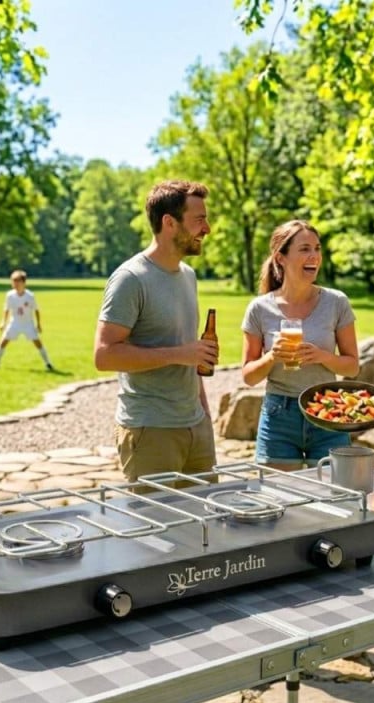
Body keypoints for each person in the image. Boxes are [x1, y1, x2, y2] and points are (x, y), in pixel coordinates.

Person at [93, 179, 218, 482]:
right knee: (156, 528)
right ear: (169, 223)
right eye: (199, 219)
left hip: (195, 427)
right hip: (150, 431)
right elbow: (104, 356)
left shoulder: (188, 276)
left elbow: (189, 354)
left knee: (206, 526)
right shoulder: (131, 279)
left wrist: (204, 416)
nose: (207, 228)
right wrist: (180, 354)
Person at [241, 220, 359, 470]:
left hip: (328, 411)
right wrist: (272, 356)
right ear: (280, 258)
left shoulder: (336, 302)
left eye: (317, 248)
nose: (314, 256)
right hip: (279, 416)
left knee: (334, 500)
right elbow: (249, 376)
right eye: (305, 249)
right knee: (278, 499)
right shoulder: (259, 308)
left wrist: (323, 356)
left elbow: (352, 367)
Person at [0, 270, 54, 371]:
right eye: (13, 281)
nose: (14, 283)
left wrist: (38, 324)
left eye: (17, 281)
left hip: (27, 323)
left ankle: (48, 363)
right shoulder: (10, 295)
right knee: (3, 341)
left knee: (38, 342)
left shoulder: (30, 296)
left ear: (23, 282)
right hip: (15, 322)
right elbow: (6, 309)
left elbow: (36, 310)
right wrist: (3, 322)